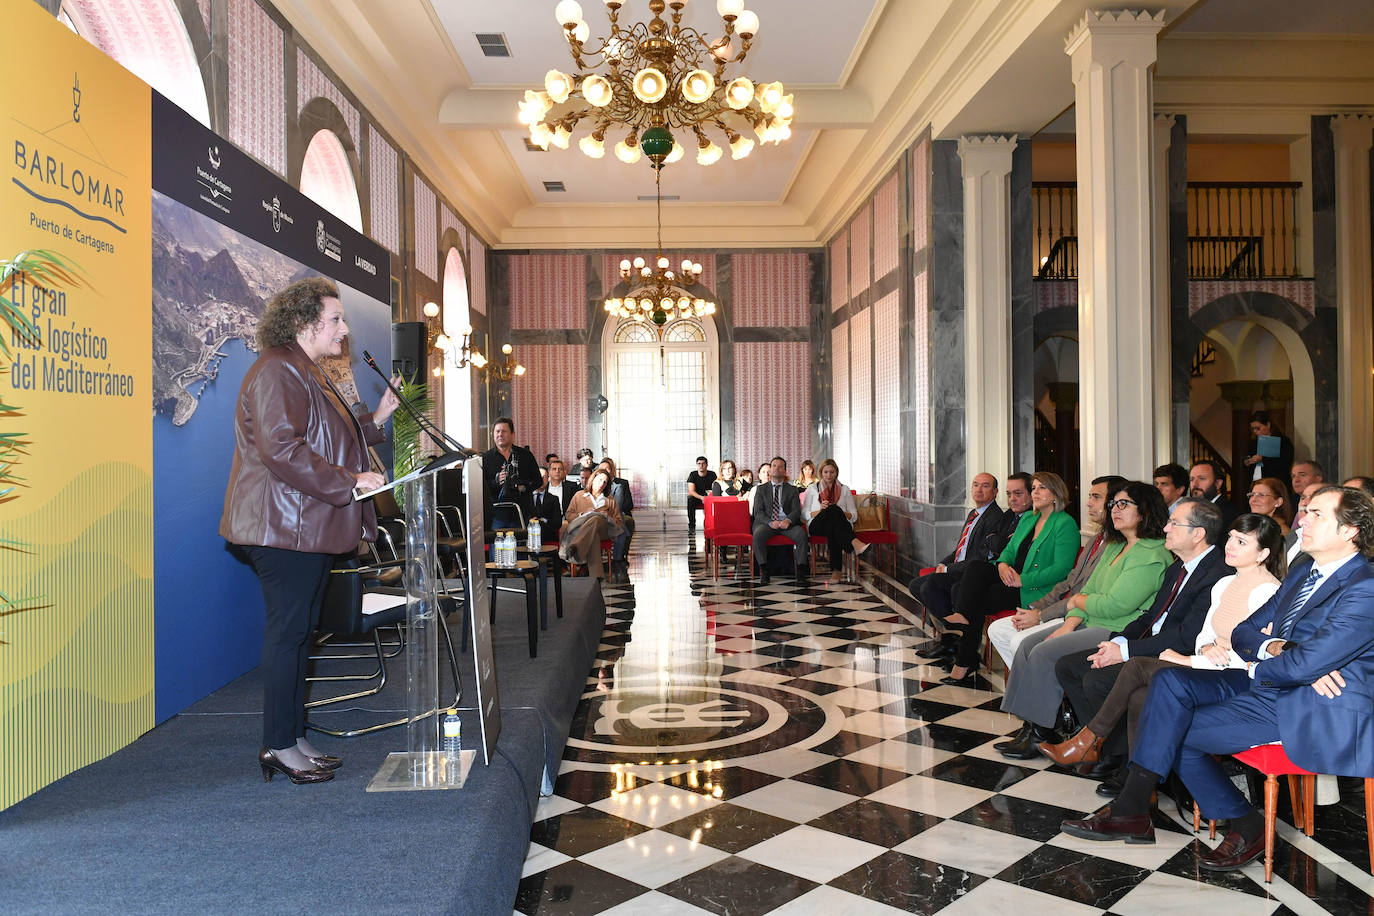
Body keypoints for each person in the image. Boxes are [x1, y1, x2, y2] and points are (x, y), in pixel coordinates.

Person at [1061, 486, 1374, 864]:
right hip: (1272, 684)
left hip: (1317, 704)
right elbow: (1245, 632)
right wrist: (1280, 648)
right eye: (1305, 510)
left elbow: (1303, 666)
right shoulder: (1305, 569)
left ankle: (1169, 814)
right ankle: (1142, 810)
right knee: (1167, 682)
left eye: (1317, 514)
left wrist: (1284, 659)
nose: (1302, 519)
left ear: (1349, 531)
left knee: (1171, 727)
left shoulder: (1365, 587)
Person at [220, 278, 399, 785]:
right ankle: (278, 745)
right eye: (336, 319)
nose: (344, 330)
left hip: (303, 526)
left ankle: (291, 737)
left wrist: (377, 418)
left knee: (298, 636)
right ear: (303, 324)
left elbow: (327, 436)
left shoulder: (304, 369)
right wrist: (350, 481)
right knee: (287, 635)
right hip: (282, 528)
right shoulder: (278, 369)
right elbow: (282, 450)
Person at [1042, 500, 1240, 780]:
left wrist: (1125, 652)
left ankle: (1120, 761)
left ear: (1198, 534)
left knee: (1096, 680)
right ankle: (1109, 750)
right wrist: (1118, 642)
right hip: (1148, 644)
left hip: (1175, 654)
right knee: (1069, 666)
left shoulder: (1216, 574)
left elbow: (1187, 637)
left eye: (1174, 523)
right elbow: (1151, 616)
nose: (1165, 528)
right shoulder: (1178, 567)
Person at [998, 480, 1171, 758]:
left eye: (1124, 504)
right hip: (1090, 618)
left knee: (1043, 653)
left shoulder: (1153, 553)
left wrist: (1078, 605)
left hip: (1117, 629)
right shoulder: (1116, 545)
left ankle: (1042, 731)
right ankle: (1030, 726)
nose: (1115, 509)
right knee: (1028, 645)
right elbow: (1087, 590)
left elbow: (1116, 606)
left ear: (1145, 510)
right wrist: (1071, 620)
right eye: (1113, 504)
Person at [938, 472, 1080, 686]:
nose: (1036, 492)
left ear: (1055, 493)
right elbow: (1009, 549)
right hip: (1010, 575)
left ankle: (963, 660)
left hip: (1031, 587)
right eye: (1034, 488)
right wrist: (1003, 564)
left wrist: (1023, 580)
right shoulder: (1030, 518)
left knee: (973, 598)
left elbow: (1062, 570)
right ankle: (962, 616)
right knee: (976, 567)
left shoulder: (1065, 524)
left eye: (1042, 488)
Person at [986, 475, 1126, 673]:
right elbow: (1071, 581)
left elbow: (1064, 574)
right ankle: (1031, 684)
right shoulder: (1097, 538)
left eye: (1096, 497)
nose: (1088, 503)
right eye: (1033, 488)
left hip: (1076, 613)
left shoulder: (1074, 527)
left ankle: (1034, 689)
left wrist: (1040, 614)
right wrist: (1036, 607)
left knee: (1019, 640)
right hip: (1058, 603)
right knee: (996, 629)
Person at [913, 473, 1026, 659]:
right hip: (963, 567)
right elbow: (960, 548)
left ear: (995, 492)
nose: (979, 490)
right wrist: (944, 563)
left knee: (933, 585)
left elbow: (982, 556)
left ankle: (954, 639)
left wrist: (949, 569)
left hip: (974, 572)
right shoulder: (974, 514)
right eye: (975, 485)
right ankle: (951, 638)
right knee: (917, 585)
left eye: (985, 486)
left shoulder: (996, 516)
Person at [801, 458, 871, 582]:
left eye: (832, 472)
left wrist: (841, 513)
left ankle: (836, 572)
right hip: (817, 524)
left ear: (836, 473)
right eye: (826, 472)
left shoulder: (844, 489)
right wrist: (820, 511)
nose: (828, 475)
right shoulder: (812, 488)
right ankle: (854, 544)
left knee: (833, 524)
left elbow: (854, 515)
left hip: (839, 524)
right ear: (821, 473)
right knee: (833, 512)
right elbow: (804, 514)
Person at [752, 456, 809, 586]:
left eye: (780, 466)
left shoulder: (792, 489)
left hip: (786, 524)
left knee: (801, 534)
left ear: (785, 471)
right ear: (770, 470)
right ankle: (765, 571)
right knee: (758, 535)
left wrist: (788, 520)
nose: (777, 468)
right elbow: (758, 512)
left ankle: (800, 573)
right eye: (774, 466)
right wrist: (770, 522)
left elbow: (796, 511)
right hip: (768, 524)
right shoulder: (761, 489)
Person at [559, 467, 624, 580]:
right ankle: (596, 576)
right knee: (594, 535)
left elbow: (618, 522)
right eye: (599, 480)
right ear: (593, 479)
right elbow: (569, 515)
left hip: (605, 530)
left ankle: (575, 546)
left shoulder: (609, 500)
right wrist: (583, 513)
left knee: (597, 518)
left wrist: (607, 516)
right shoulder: (579, 495)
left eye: (605, 482)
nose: (602, 484)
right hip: (582, 529)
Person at [481, 417, 541, 531]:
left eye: (504, 431)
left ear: (513, 435)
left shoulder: (525, 455)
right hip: (497, 514)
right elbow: (480, 486)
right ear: (493, 435)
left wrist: (523, 487)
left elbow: (537, 480)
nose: (500, 435)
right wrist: (496, 482)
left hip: (522, 511)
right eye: (497, 431)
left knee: (521, 547)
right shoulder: (485, 458)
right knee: (498, 547)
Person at [598, 457, 635, 580]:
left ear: (612, 470)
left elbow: (624, 504)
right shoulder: (595, 483)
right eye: (601, 469)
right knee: (622, 525)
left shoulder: (620, 484)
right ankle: (615, 559)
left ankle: (618, 558)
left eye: (607, 469)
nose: (604, 471)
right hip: (599, 514)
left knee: (623, 522)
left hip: (618, 513)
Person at [1241, 410, 1294, 490]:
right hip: (1256, 480)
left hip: (1276, 482)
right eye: (1253, 429)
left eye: (1258, 428)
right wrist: (1247, 462)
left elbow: (1285, 462)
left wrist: (1263, 459)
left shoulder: (1283, 441)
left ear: (1268, 425)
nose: (1255, 431)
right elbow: (1248, 458)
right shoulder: (1254, 443)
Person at [1189, 459, 1237, 527]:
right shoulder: (1190, 508)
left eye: (1202, 478)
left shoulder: (1228, 514)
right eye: (1192, 479)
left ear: (1218, 484)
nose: (1195, 484)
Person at [686, 456, 716, 534]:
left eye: (703, 463)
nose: (701, 465)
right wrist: (702, 498)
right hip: (697, 497)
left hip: (708, 497)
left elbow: (715, 489)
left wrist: (708, 497)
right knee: (690, 499)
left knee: (717, 499)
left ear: (707, 465)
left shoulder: (712, 474)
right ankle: (692, 526)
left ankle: (711, 526)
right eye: (699, 463)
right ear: (697, 465)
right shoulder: (693, 474)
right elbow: (691, 491)